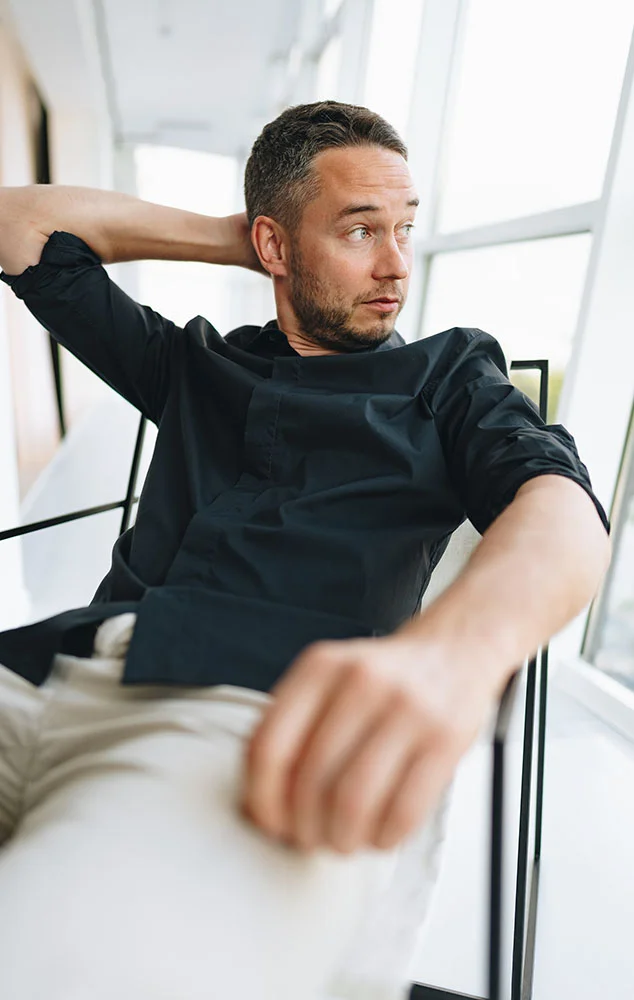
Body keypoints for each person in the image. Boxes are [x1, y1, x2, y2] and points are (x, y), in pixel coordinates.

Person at [0, 100, 610, 1000]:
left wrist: (454, 659)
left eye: (405, 229)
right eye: (361, 230)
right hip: (47, 668)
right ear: (275, 248)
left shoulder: (448, 380)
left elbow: (561, 507)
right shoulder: (196, 366)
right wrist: (241, 238)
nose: (397, 265)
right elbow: (18, 227)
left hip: (240, 720)